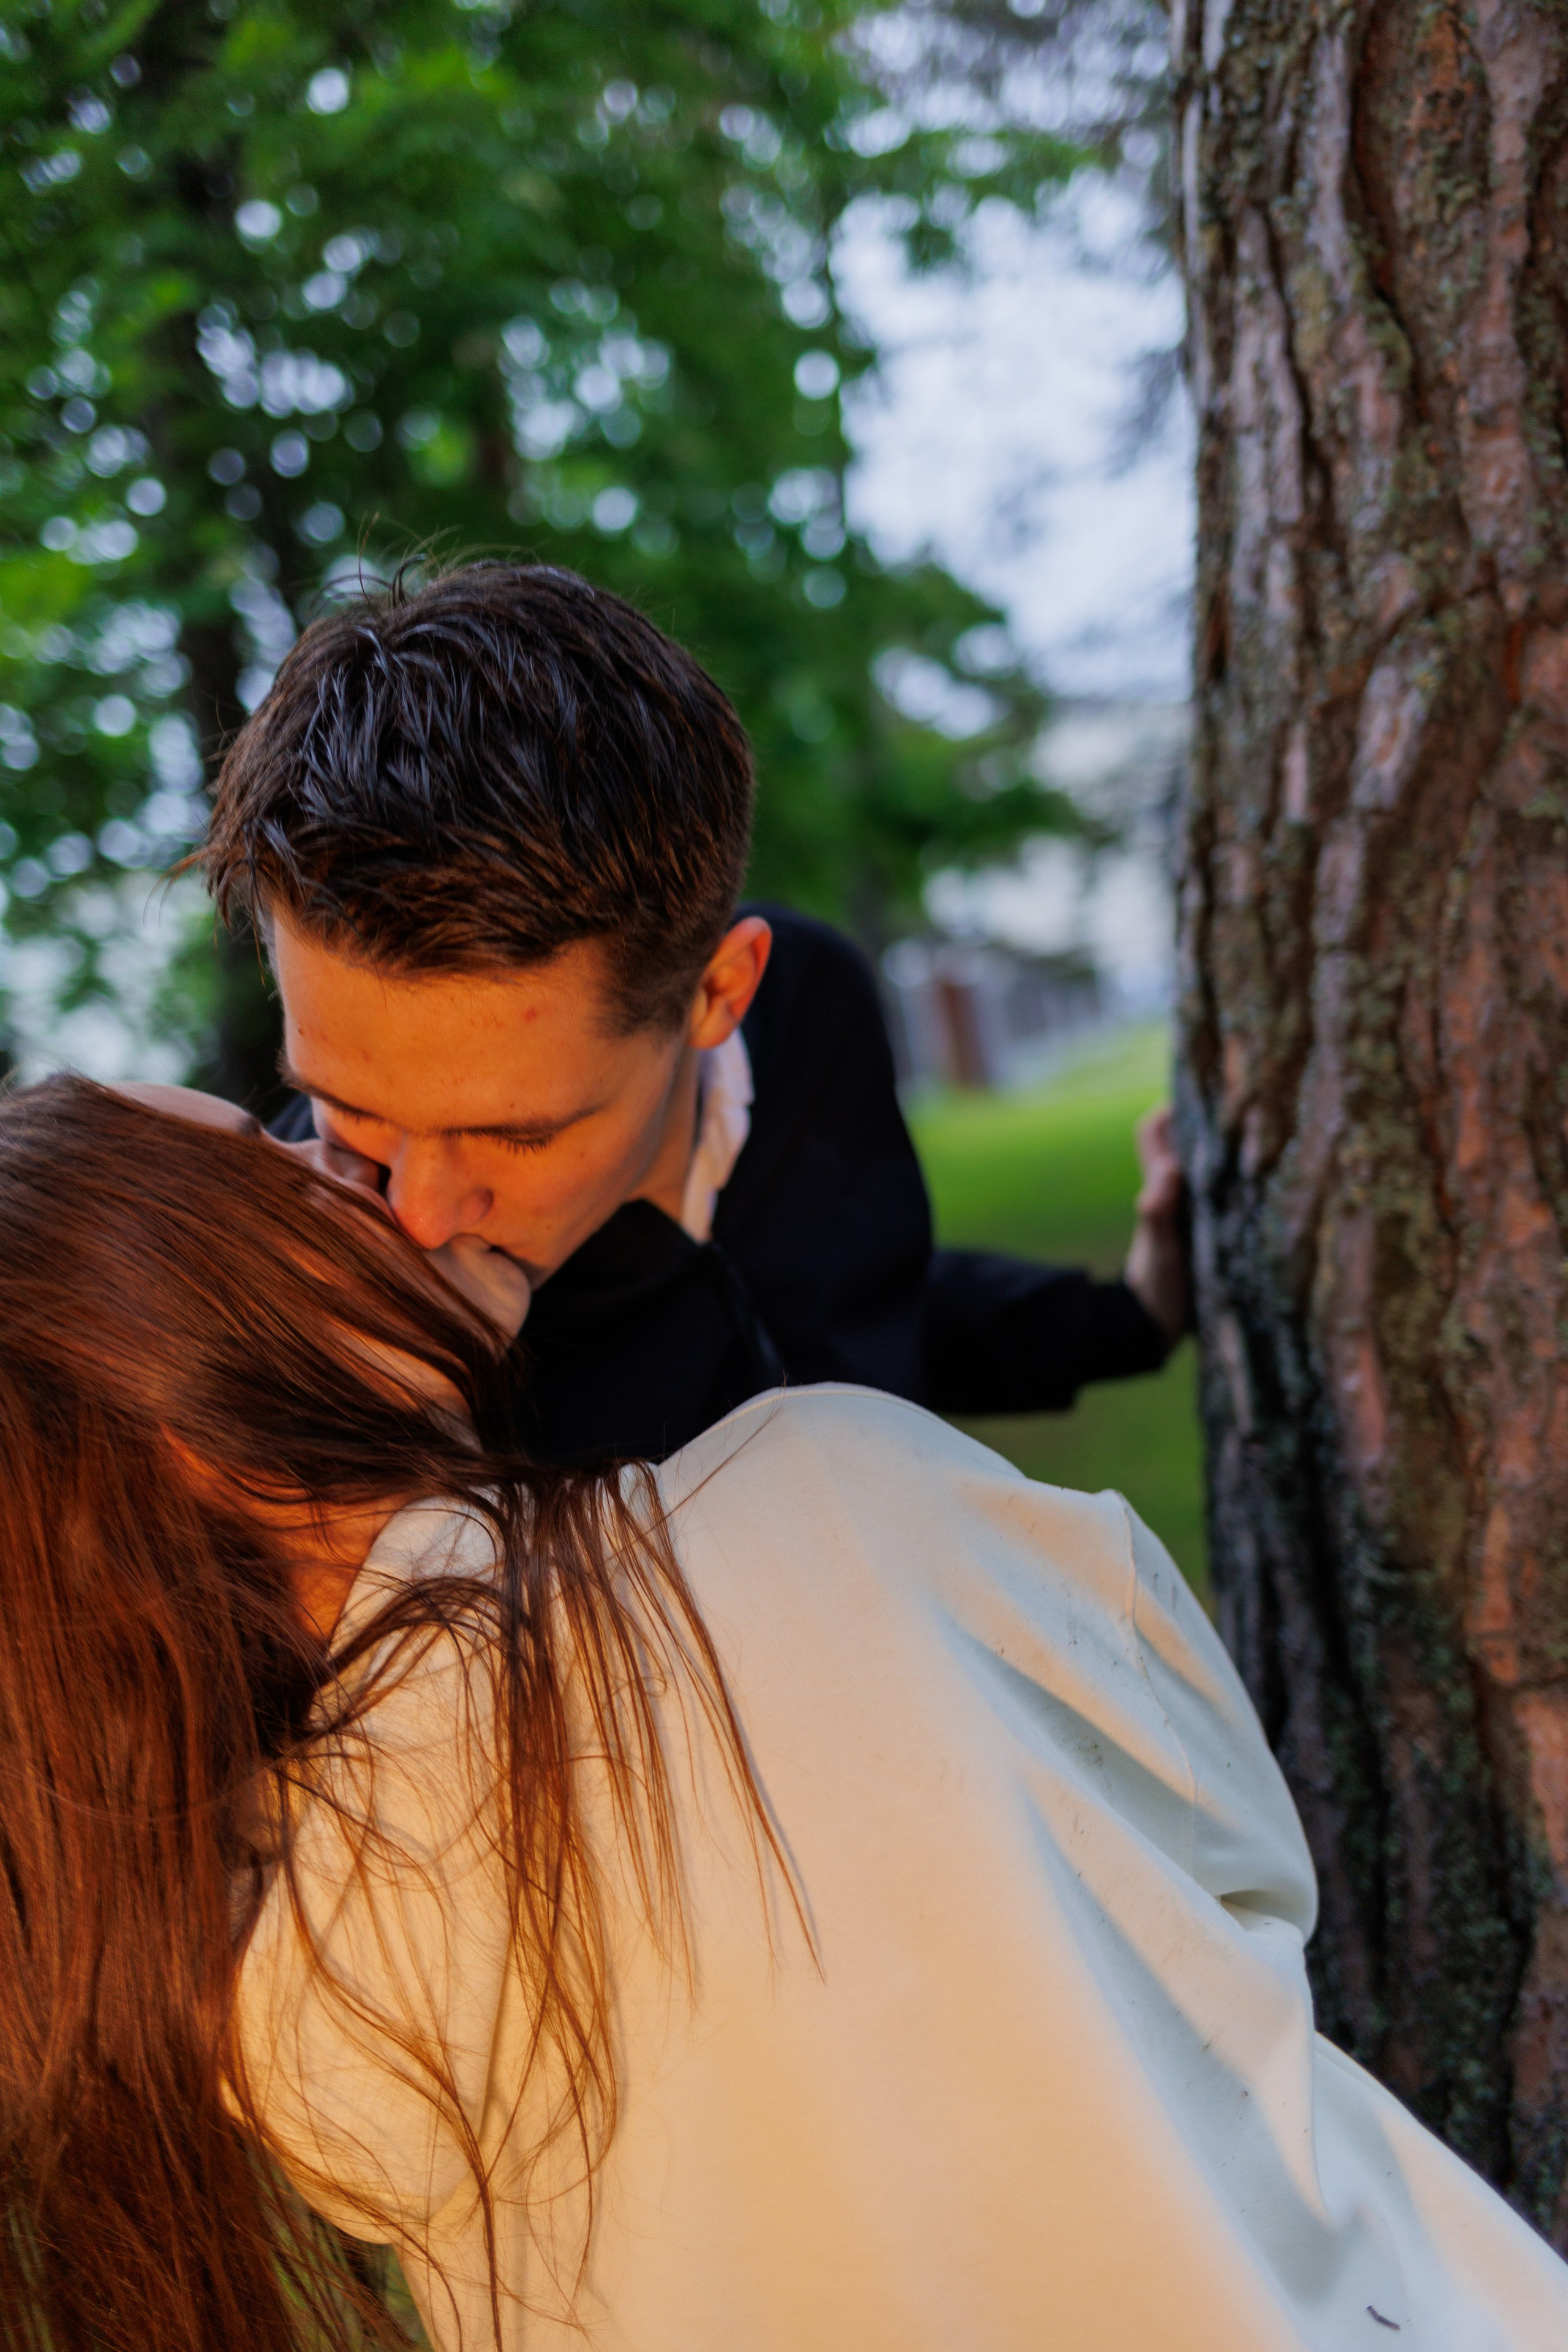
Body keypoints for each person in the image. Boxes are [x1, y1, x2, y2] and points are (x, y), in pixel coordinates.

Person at [2, 1074, 1565, 2352]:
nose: (368, 1174)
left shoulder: (267, 2012)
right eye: (278, 1169)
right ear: (191, 1422)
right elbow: (1237, 1868)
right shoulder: (829, 1496)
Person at [198, 561, 1188, 1466]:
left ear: (720, 991)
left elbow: (848, 1294)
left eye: (519, 1135)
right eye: (349, 1108)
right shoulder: (291, 1338)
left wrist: (1129, 1317)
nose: (414, 1213)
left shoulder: (812, 1008)